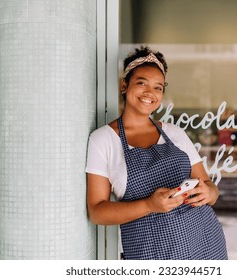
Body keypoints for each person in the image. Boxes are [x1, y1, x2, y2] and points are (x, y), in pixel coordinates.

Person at [86, 46, 228, 260]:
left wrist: (209, 193)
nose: (149, 93)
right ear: (124, 85)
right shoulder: (102, 140)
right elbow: (97, 212)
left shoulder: (175, 133)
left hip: (205, 244)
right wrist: (149, 205)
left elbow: (209, 187)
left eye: (158, 87)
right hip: (152, 254)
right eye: (142, 83)